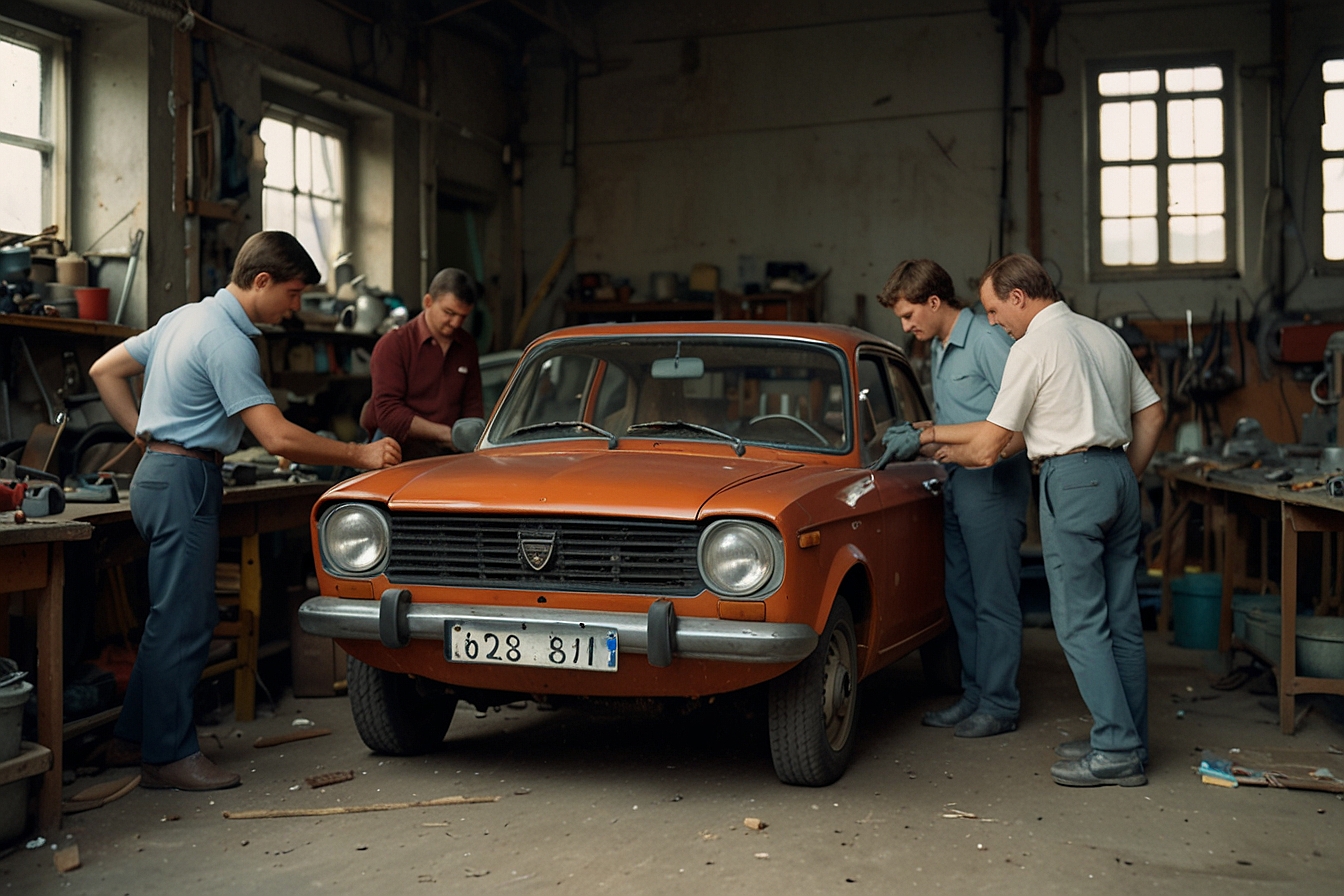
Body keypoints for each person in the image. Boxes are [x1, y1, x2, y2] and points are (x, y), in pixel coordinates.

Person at [90, 231, 401, 791]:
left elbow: (104, 371)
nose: (296, 306)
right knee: (184, 622)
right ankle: (168, 756)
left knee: (173, 617)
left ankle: (132, 738)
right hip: (185, 479)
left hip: (158, 476)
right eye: (293, 292)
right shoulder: (226, 340)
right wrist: (360, 452)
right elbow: (277, 437)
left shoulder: (182, 318)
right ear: (261, 281)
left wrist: (144, 432)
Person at [918, 253, 1163, 788]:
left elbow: (987, 447)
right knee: (1120, 617)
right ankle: (1128, 738)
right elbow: (1152, 413)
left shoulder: (1033, 347)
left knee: (1079, 622)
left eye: (993, 310)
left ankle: (1116, 749)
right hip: (1118, 476)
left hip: (1072, 480)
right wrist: (1126, 478)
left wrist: (931, 443)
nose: (992, 322)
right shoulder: (1102, 335)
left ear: (1019, 297)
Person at [877, 259, 1031, 739]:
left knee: (994, 600)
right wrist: (922, 432)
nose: (907, 326)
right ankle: (974, 695)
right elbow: (970, 414)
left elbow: (1023, 414)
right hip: (957, 483)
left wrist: (930, 437)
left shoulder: (986, 340)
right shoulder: (942, 347)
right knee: (962, 597)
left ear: (934, 302)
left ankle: (1001, 703)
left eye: (909, 316)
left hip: (993, 483)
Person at [359, 267, 484, 460]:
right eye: (449, 313)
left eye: (463, 316)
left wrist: (470, 438)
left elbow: (472, 404)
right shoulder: (393, 345)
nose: (456, 323)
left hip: (449, 454)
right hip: (397, 454)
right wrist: (447, 435)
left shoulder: (467, 346)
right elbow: (388, 413)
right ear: (428, 302)